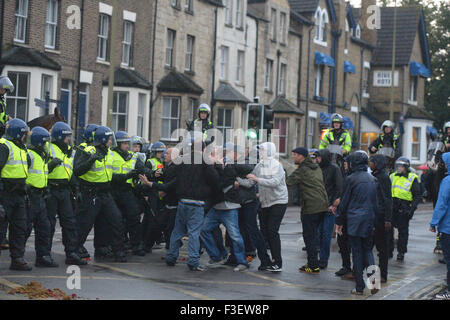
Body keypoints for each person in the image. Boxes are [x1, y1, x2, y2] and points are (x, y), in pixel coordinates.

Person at [161, 138, 219, 271]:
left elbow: (170, 173)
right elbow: (214, 179)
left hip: (182, 201)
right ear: (204, 149)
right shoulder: (205, 161)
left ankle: (171, 256)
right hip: (197, 202)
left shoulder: (183, 159)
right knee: (194, 233)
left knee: (178, 230)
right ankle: (193, 261)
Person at [74, 125, 127, 262]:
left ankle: (117, 251)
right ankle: (74, 250)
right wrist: (90, 160)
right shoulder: (88, 150)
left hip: (105, 193)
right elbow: (77, 171)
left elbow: (109, 174)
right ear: (103, 139)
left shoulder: (109, 153)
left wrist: (127, 176)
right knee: (85, 224)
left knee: (116, 220)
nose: (111, 141)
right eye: (109, 139)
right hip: (91, 193)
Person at [200, 143, 253, 272]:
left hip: (229, 206)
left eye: (214, 153)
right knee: (204, 230)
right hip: (217, 206)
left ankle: (242, 261)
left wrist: (220, 166)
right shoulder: (213, 166)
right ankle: (217, 257)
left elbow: (246, 169)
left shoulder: (229, 165)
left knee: (235, 235)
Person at [336, 151, 379, 295]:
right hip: (369, 219)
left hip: (354, 219)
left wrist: (339, 221)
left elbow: (344, 203)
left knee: (357, 252)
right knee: (368, 250)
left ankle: (360, 287)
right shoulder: (372, 178)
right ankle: (374, 283)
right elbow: (375, 203)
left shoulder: (350, 179)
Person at [46, 122, 86, 265]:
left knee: (70, 223)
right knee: (48, 224)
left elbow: (71, 172)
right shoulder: (48, 148)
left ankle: (71, 253)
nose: (69, 139)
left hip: (65, 190)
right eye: (67, 136)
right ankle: (44, 255)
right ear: (59, 136)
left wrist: (76, 188)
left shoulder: (70, 151)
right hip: (51, 189)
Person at [247, 142, 288, 272]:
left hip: (278, 201)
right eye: (260, 150)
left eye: (263, 150)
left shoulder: (276, 165)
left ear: (269, 151)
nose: (260, 153)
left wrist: (258, 180)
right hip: (265, 202)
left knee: (272, 231)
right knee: (264, 232)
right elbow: (251, 178)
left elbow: (275, 182)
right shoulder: (260, 165)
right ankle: (266, 261)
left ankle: (278, 262)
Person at [286, 147, 328, 274]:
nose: (293, 157)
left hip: (311, 207)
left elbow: (288, 181)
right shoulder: (316, 167)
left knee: (309, 237)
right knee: (314, 236)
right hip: (322, 205)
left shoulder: (303, 170)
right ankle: (313, 262)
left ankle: (313, 266)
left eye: (295, 155)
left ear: (302, 156)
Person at [25, 126, 60, 267]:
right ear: (39, 143)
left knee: (44, 228)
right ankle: (17, 258)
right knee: (25, 228)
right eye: (45, 143)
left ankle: (43, 256)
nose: (47, 146)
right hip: (30, 196)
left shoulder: (41, 156)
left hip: (40, 196)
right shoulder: (30, 155)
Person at [0, 119, 32, 270]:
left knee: (20, 227)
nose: (26, 137)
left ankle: (17, 259)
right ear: (18, 133)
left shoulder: (21, 148)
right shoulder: (4, 146)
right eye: (24, 134)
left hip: (19, 194)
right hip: (5, 194)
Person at [111, 131, 147, 256]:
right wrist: (126, 175)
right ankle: (119, 247)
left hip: (127, 190)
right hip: (114, 190)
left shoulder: (133, 156)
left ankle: (136, 245)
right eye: (125, 143)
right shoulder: (111, 155)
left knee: (134, 217)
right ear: (118, 144)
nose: (127, 146)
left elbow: (142, 169)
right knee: (117, 221)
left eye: (128, 143)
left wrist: (152, 173)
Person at [139, 148, 178, 250]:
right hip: (166, 203)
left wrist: (149, 183)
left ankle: (171, 251)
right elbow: (160, 176)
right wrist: (151, 176)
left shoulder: (176, 168)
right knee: (159, 224)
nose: (164, 155)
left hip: (173, 204)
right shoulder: (168, 167)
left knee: (168, 228)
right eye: (163, 153)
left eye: (167, 153)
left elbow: (168, 186)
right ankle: (148, 245)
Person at [316, 148, 343, 269]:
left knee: (326, 234)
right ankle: (316, 257)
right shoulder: (317, 168)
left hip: (329, 207)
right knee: (317, 233)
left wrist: (333, 204)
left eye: (319, 157)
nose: (317, 160)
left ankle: (323, 259)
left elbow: (339, 187)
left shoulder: (334, 169)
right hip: (317, 206)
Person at [389, 157, 421, 261]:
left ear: (406, 167)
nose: (399, 168)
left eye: (401, 166)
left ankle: (401, 252)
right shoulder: (392, 176)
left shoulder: (412, 177)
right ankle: (388, 250)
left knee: (403, 232)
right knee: (388, 230)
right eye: (397, 166)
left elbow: (417, 196)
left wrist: (411, 210)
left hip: (404, 207)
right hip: (392, 206)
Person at [429, 152, 450, 300]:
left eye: (443, 162)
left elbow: (441, 204)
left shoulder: (447, 181)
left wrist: (433, 223)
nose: (441, 165)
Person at [369, 154, 393, 283]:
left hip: (381, 218)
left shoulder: (383, 177)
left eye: (372, 162)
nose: (370, 163)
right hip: (373, 216)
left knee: (382, 249)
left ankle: (383, 275)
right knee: (368, 247)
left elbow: (387, 199)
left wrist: (387, 219)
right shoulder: (375, 175)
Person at [143, 141, 167, 251]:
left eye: (162, 152)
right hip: (152, 193)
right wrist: (146, 194)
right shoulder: (150, 162)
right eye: (159, 152)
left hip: (161, 194)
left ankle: (156, 239)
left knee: (159, 219)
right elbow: (146, 178)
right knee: (150, 220)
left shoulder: (164, 162)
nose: (161, 154)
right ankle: (146, 244)